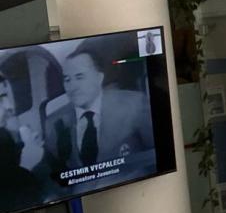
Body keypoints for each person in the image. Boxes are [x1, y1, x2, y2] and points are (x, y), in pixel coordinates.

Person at [39, 44, 152, 176]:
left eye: (80, 77)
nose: (72, 87)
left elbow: (157, 156)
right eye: (67, 79)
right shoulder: (54, 122)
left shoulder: (134, 104)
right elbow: (53, 176)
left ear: (99, 78)